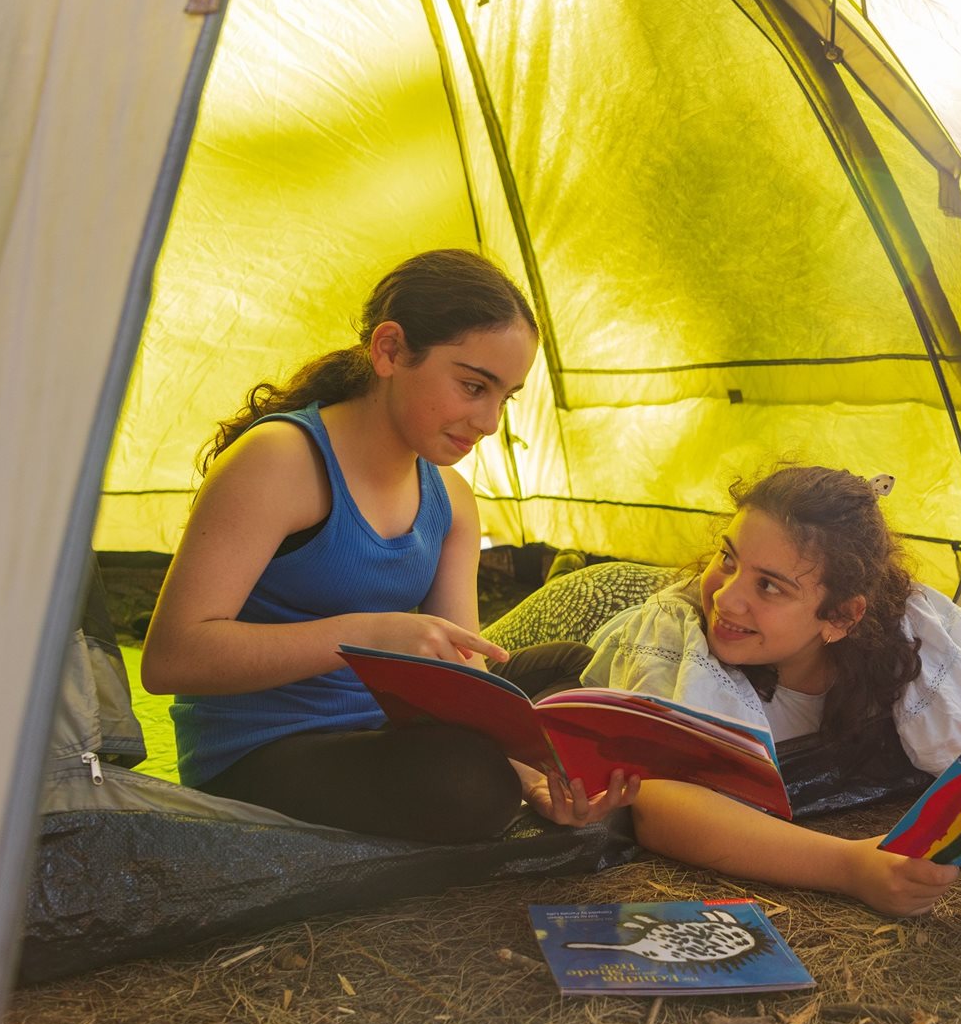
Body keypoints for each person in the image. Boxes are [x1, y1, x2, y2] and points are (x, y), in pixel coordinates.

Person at [139, 249, 637, 841]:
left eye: (505, 397)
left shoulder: (450, 498)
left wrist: (533, 780)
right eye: (473, 385)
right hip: (264, 754)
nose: (488, 422)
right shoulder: (281, 461)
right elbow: (171, 658)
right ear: (390, 350)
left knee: (578, 670)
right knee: (466, 781)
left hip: (389, 732)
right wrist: (368, 637)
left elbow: (466, 673)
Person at [580, 465, 961, 916]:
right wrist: (850, 866)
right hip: (598, 608)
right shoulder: (679, 638)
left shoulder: (909, 635)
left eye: (768, 585)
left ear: (841, 617)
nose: (726, 597)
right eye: (728, 559)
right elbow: (661, 803)